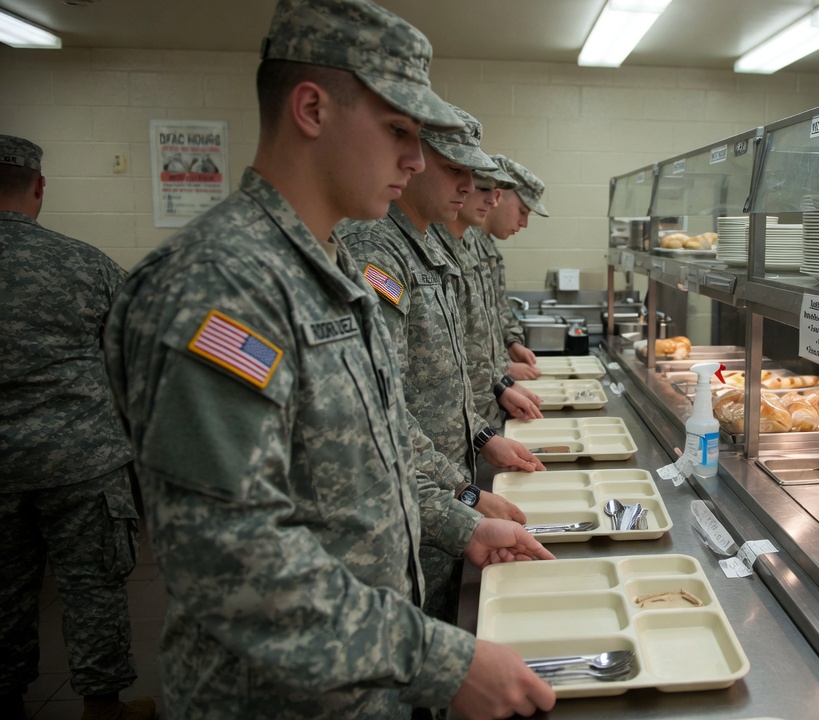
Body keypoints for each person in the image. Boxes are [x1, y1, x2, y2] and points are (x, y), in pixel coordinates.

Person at [101, 1, 556, 718]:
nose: (415, 159)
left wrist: (460, 522)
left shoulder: (328, 266)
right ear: (312, 108)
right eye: (399, 131)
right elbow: (232, 560)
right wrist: (436, 659)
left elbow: (382, 438)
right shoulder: (218, 287)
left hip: (362, 679)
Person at [339, 105, 542, 624]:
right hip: (413, 501)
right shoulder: (375, 251)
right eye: (455, 170)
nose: (471, 187)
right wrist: (463, 494)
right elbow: (384, 411)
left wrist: (479, 439)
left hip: (439, 487)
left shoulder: (428, 245)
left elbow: (448, 373)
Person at [0, 136, 155, 720]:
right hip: (81, 463)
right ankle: (102, 707)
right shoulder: (82, 263)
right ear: (39, 187)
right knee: (93, 588)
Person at [433, 142, 543, 431]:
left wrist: (508, 352)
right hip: (453, 432)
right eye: (486, 190)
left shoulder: (468, 243)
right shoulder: (432, 245)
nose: (490, 201)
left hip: (476, 420)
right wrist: (501, 380)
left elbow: (482, 323)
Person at [482, 155, 550, 382]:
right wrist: (503, 368)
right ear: (498, 195)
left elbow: (496, 309)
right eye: (522, 211)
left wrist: (512, 343)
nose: (524, 223)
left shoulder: (487, 248)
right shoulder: (460, 245)